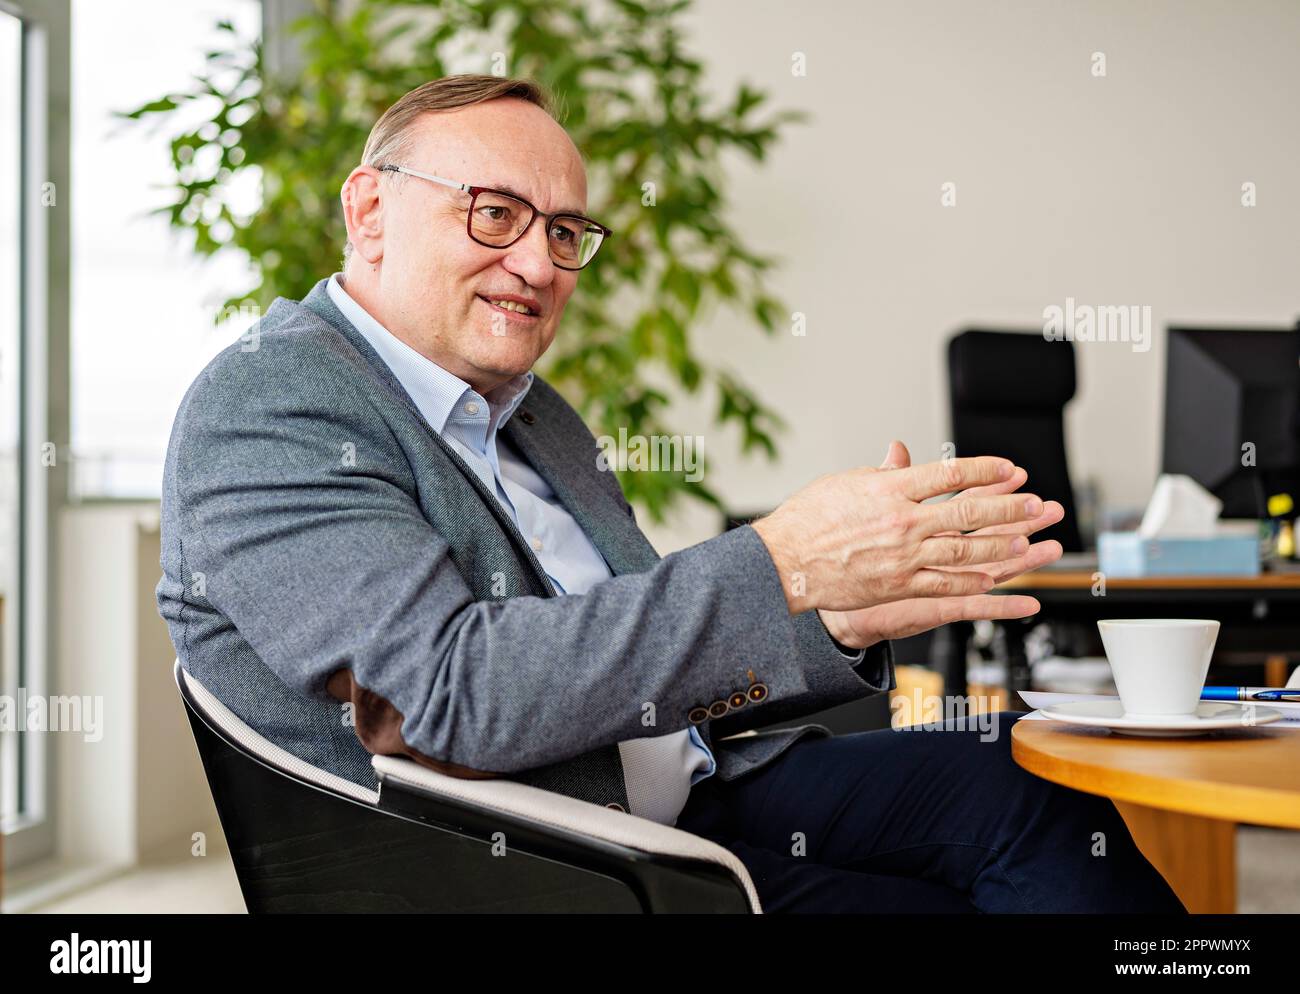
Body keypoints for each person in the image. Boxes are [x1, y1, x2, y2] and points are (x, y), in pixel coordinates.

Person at [156, 74, 1184, 913]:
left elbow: (644, 657)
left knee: (1024, 774)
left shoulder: (534, 411)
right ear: (369, 209)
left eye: (563, 232)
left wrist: (827, 616)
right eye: (496, 214)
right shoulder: (270, 403)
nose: (537, 262)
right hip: (562, 862)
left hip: (700, 789)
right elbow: (457, 695)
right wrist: (781, 560)